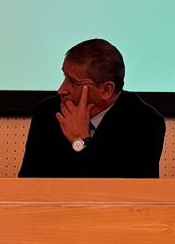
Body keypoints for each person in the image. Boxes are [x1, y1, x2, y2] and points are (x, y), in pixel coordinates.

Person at [18, 38, 164, 179]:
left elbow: (133, 190)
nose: (61, 90)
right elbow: (28, 183)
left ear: (106, 90)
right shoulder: (47, 111)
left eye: (74, 82)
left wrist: (80, 140)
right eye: (65, 77)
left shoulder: (146, 122)